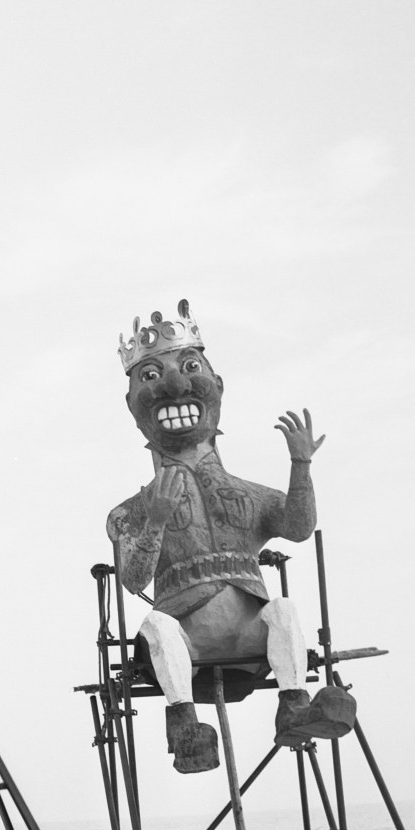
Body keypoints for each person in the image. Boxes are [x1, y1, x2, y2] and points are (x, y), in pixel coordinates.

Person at [106, 300, 355, 773]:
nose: (177, 386)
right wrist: (156, 519)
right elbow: (133, 576)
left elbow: (298, 527)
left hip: (250, 631)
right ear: (133, 406)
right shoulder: (129, 513)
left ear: (216, 386)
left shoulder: (247, 495)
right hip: (185, 636)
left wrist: (300, 467)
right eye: (152, 377)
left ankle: (295, 706)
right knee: (156, 627)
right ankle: (185, 724)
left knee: (282, 608)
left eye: (191, 368)